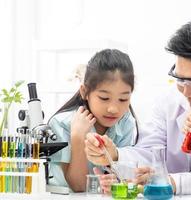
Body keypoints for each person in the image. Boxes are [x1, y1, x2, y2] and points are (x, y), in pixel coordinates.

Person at [85, 18, 191, 195]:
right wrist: (115, 155)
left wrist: (173, 182)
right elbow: (151, 153)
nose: (186, 92)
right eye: (180, 79)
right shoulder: (169, 102)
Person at [48, 49, 138, 192]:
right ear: (85, 92)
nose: (114, 109)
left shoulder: (125, 123)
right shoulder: (62, 124)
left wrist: (113, 179)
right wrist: (78, 138)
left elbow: (122, 179)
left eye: (123, 99)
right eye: (104, 98)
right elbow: (78, 187)